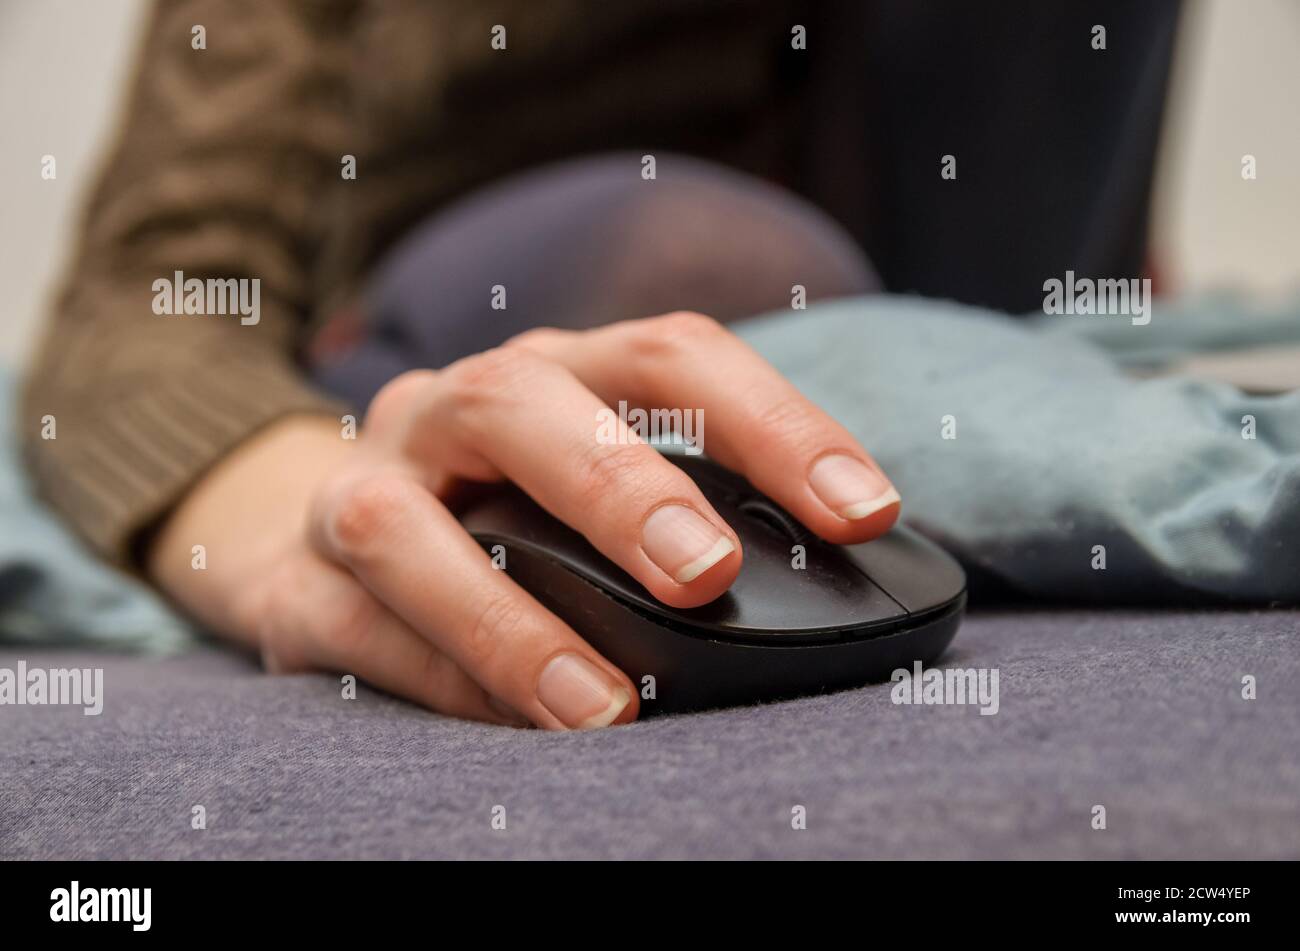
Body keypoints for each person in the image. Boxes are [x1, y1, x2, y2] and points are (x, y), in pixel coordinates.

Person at [20, 0, 1181, 729]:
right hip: (489, 291)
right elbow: (148, 291)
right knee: (704, 258)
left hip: (931, 271)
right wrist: (287, 527)